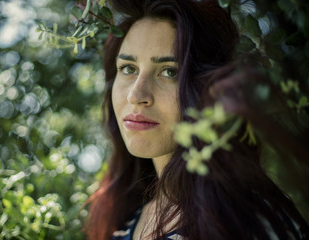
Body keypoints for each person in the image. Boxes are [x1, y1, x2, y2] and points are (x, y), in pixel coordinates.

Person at [86, 0, 309, 239]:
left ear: (207, 89)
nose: (136, 95)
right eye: (128, 68)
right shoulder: (123, 221)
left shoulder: (249, 219)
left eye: (170, 71)